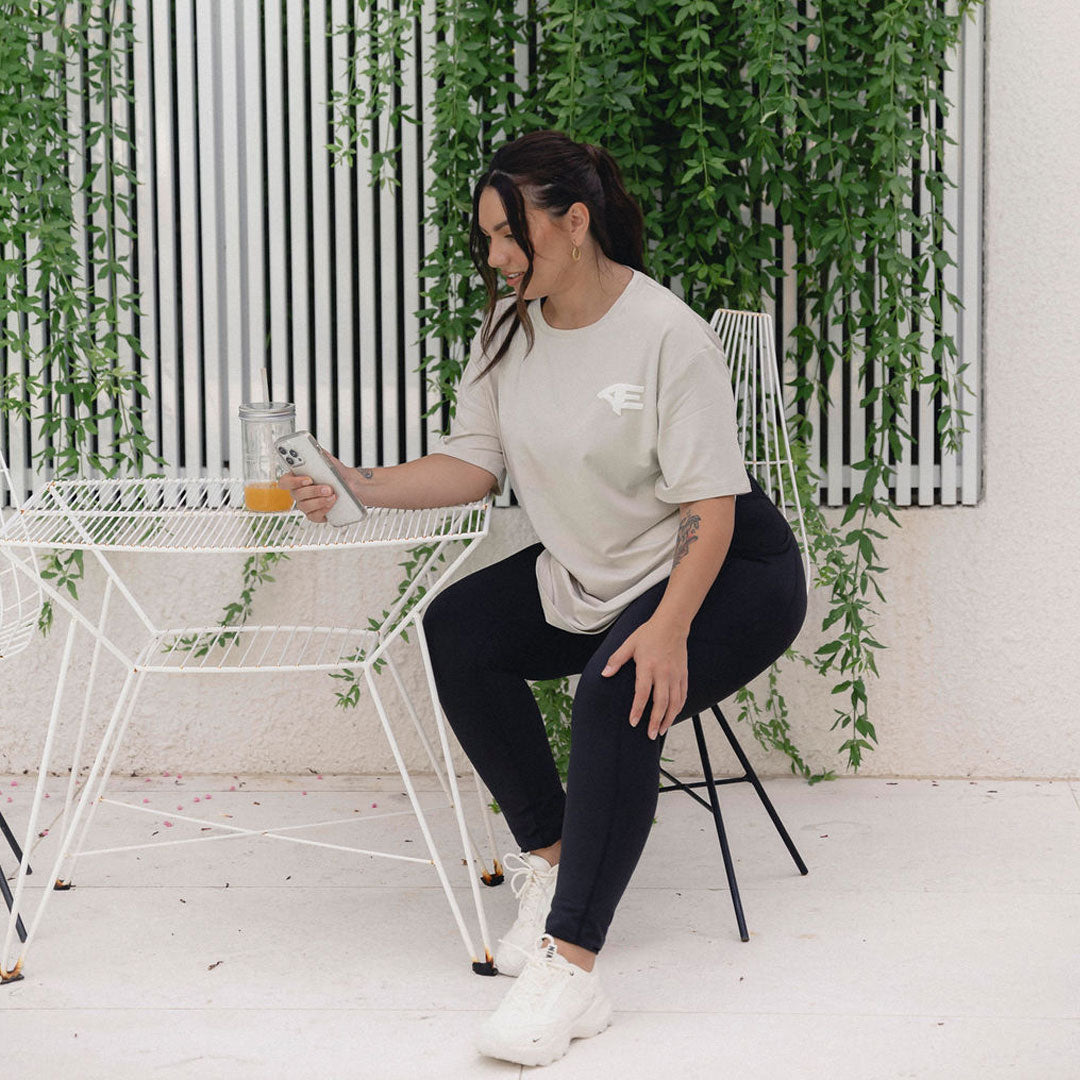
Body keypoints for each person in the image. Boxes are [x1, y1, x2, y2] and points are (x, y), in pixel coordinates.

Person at [280, 129, 807, 1068]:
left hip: (728, 575)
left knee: (620, 688)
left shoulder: (665, 335)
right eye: (484, 237)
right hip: (597, 571)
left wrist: (671, 631)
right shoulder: (508, 329)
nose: (492, 256)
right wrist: (354, 483)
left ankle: (573, 971)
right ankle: (556, 861)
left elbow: (712, 512)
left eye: (505, 235)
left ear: (574, 223)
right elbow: (472, 466)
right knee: (460, 629)